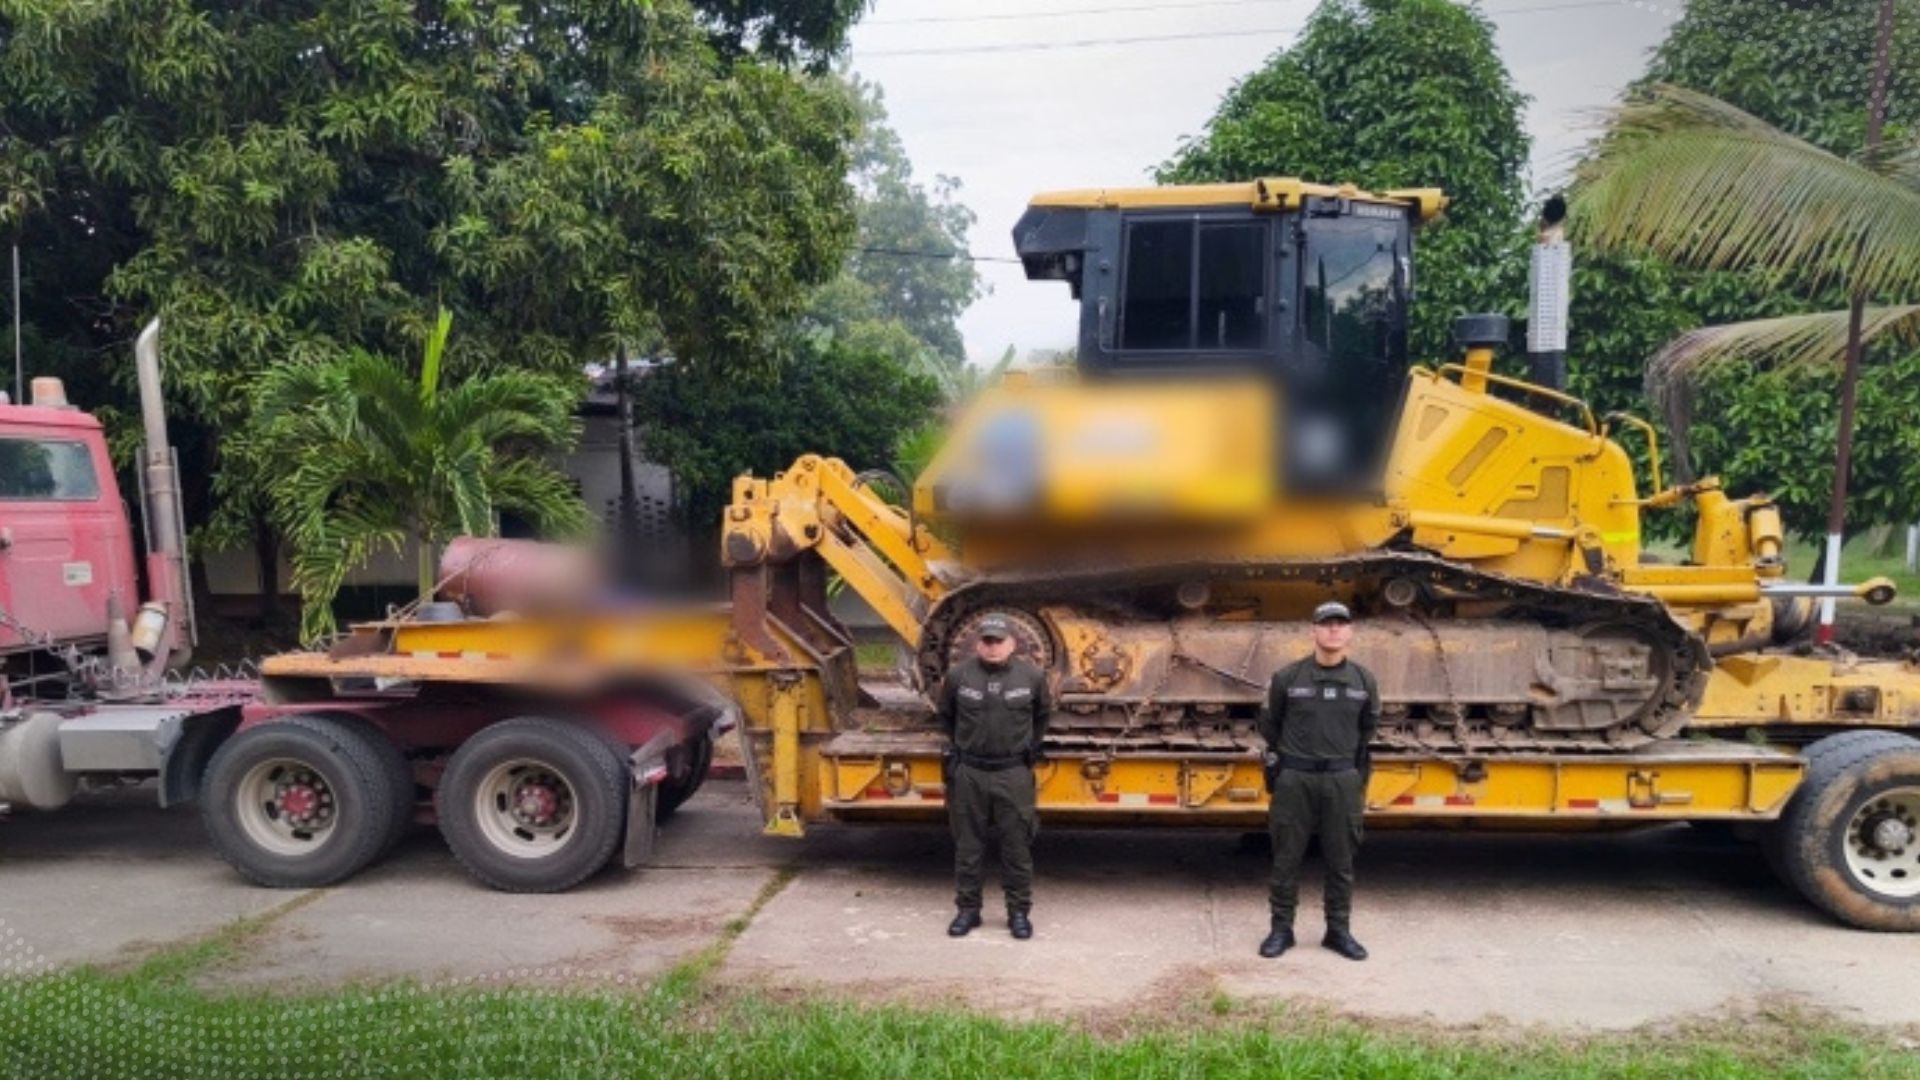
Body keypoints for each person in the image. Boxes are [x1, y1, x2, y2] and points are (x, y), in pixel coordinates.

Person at [1257, 600, 1379, 961]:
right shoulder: (1288, 678)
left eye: (1341, 623)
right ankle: (1281, 930)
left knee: (1341, 861)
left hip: (1342, 779)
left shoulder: (1363, 680)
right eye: (1326, 623)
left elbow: (1368, 728)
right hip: (1296, 778)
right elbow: (1269, 725)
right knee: (1285, 859)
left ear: (1350, 631)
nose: (1334, 630)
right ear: (1313, 630)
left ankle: (1338, 931)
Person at [935, 613, 1052, 940]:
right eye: (987, 641)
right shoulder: (959, 675)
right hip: (970, 772)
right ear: (977, 643)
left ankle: (1018, 913)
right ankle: (968, 910)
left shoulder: (1031, 676)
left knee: (1017, 846)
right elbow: (946, 716)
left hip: (1012, 772)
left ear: (1012, 643)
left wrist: (1025, 748)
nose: (993, 647)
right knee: (967, 847)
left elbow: (1042, 715)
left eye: (999, 641)